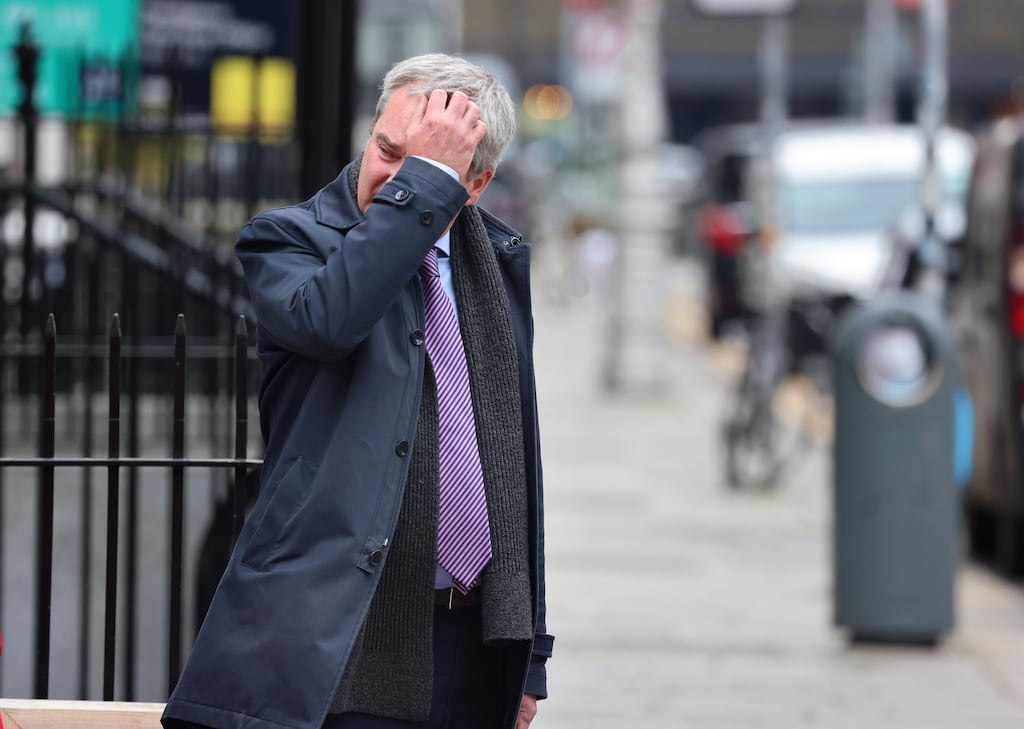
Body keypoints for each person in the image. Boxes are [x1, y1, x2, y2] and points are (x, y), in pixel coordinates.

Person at [161, 53, 553, 729]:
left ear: (478, 183)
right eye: (387, 149)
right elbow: (330, 320)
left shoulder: (496, 266)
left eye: (425, 165)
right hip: (347, 642)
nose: (392, 177)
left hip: (476, 643)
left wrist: (532, 654)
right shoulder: (289, 241)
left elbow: (517, 464)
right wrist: (427, 182)